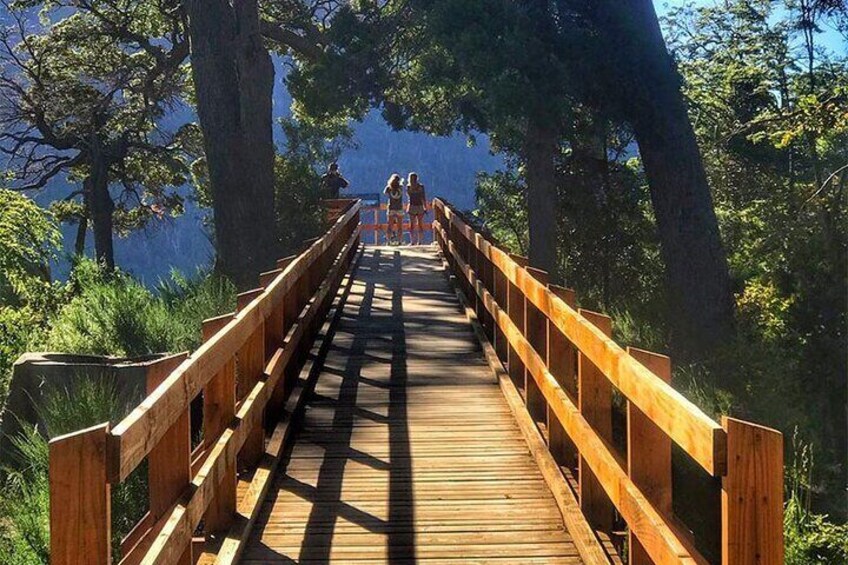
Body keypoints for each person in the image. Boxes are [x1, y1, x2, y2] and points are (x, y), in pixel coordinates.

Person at [406, 172, 428, 245]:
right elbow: (423, 197)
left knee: (412, 225)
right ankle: (420, 241)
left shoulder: (408, 187)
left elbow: (408, 196)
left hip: (412, 206)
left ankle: (412, 241)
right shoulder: (421, 187)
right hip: (420, 206)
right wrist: (425, 207)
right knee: (420, 224)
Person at [383, 173, 404, 245]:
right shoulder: (401, 187)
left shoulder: (389, 188)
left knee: (390, 226)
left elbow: (384, 192)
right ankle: (400, 241)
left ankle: (388, 241)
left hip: (391, 208)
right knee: (400, 226)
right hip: (399, 208)